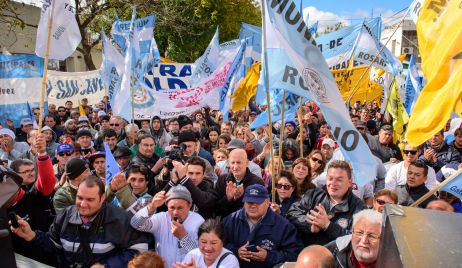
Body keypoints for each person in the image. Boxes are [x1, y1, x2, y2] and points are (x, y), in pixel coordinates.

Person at [11, 176, 148, 267]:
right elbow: (54, 247)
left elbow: (139, 249)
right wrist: (32, 236)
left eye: (90, 200)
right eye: (80, 198)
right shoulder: (65, 215)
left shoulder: (119, 218)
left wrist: (108, 266)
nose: (82, 204)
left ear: (102, 198)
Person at [287, 160, 366, 246]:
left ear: (350, 182)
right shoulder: (313, 194)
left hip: (335, 258)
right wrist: (310, 224)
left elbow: (357, 239)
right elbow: (291, 213)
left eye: (339, 180)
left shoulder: (360, 209)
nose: (333, 183)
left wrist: (328, 226)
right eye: (330, 178)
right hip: (305, 253)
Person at [222, 184, 303, 268]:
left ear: (267, 201)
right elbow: (218, 244)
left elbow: (294, 255)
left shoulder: (284, 226)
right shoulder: (230, 221)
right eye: (249, 202)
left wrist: (268, 256)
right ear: (244, 201)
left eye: (257, 202)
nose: (253, 205)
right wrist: (236, 251)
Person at [8, 133, 56, 265]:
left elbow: (47, 181)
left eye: (32, 170)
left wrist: (42, 153)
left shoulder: (32, 196)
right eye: (26, 171)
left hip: (41, 256)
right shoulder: (3, 205)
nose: (31, 173)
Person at [131, 185, 205, 268]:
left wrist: (183, 237)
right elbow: (136, 224)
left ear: (189, 205)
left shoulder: (198, 221)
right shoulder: (161, 218)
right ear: (166, 205)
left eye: (180, 208)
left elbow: (201, 254)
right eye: (172, 208)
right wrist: (152, 206)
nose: (175, 212)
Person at [215, 148, 264, 217]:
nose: (235, 167)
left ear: (247, 163)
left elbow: (260, 209)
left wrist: (242, 198)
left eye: (238, 162)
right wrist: (228, 198)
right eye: (232, 163)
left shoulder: (257, 182)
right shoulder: (222, 179)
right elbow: (216, 210)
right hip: (226, 224)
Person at [175, 219, 239, 268]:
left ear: (222, 242)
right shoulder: (192, 255)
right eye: (203, 242)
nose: (207, 248)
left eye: (213, 243)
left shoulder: (230, 260)